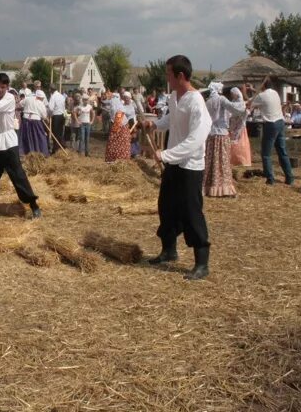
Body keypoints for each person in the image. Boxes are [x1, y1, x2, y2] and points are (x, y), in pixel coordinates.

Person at [143, 55, 212, 280]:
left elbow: (196, 139)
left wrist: (166, 154)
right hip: (174, 163)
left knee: (192, 213)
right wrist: (154, 123)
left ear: (180, 76)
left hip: (190, 166)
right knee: (166, 207)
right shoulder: (174, 97)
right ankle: (169, 251)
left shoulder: (196, 102)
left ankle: (202, 263)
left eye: (168, 74)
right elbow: (170, 120)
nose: (166, 78)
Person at [0, 73, 42, 219]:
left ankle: (33, 205)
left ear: (7, 87)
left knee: (18, 176)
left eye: (3, 87)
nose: (0, 89)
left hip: (9, 142)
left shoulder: (9, 98)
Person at [203, 81, 246, 197]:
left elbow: (226, 114)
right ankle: (223, 189)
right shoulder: (221, 99)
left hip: (211, 135)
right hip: (221, 135)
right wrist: (241, 101)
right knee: (221, 161)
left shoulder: (208, 101)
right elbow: (235, 109)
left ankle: (209, 187)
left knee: (211, 162)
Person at [249, 77, 294, 186]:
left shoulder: (261, 96)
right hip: (280, 123)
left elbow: (250, 102)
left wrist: (246, 92)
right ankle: (290, 178)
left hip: (271, 125)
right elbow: (263, 96)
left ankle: (270, 179)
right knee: (282, 152)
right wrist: (254, 90)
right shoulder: (275, 93)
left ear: (263, 86)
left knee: (266, 154)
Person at [104, 92, 136, 163]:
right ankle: (116, 159)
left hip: (121, 128)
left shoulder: (119, 110)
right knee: (117, 144)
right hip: (122, 128)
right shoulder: (119, 106)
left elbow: (117, 124)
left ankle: (118, 160)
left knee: (117, 144)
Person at [19, 89, 49, 156]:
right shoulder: (41, 103)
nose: (42, 100)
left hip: (25, 119)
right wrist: (46, 119)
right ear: (39, 97)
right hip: (36, 121)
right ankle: (41, 153)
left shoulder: (27, 99)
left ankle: (26, 152)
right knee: (39, 136)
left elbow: (20, 104)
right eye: (42, 98)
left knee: (27, 136)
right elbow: (44, 116)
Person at [229, 87, 252, 167]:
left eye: (233, 93)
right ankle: (232, 159)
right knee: (232, 141)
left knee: (240, 141)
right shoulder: (232, 102)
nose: (232, 95)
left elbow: (245, 112)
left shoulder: (242, 103)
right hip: (233, 125)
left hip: (240, 125)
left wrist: (246, 112)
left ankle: (242, 160)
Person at [47, 87, 66, 154]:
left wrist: (49, 114)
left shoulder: (53, 97)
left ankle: (55, 150)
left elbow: (51, 108)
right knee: (60, 134)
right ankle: (60, 149)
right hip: (62, 116)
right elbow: (64, 107)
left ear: (51, 89)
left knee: (55, 134)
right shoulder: (62, 96)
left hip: (56, 116)